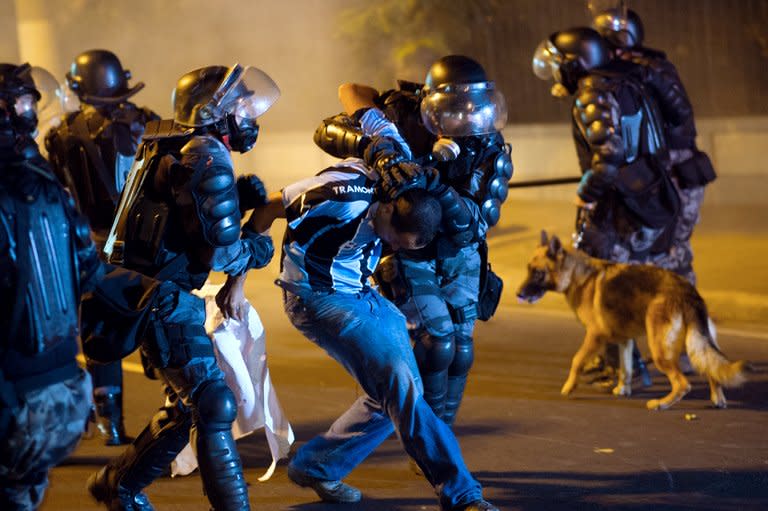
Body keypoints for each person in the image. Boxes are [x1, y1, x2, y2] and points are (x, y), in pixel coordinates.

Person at [236, 109, 499, 510]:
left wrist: (380, 142)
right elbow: (272, 205)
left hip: (361, 293)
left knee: (393, 391)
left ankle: (317, 466)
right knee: (401, 385)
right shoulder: (341, 195)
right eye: (396, 239)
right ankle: (462, 495)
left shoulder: (401, 167)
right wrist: (239, 279)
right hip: (317, 298)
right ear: (389, 211)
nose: (392, 247)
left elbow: (371, 113)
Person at [86, 64, 279, 511]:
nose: (250, 116)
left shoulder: (180, 145)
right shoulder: (206, 156)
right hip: (159, 298)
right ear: (215, 111)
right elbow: (221, 253)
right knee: (212, 402)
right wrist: (260, 247)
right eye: (242, 107)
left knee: (190, 405)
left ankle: (117, 484)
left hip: (147, 291)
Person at [314, 55, 512, 427]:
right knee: (436, 344)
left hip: (458, 250)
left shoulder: (486, 146)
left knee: (461, 348)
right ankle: (427, 436)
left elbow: (473, 224)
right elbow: (341, 108)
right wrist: (379, 151)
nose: (464, 119)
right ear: (429, 101)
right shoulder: (404, 117)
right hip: (408, 246)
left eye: (472, 109)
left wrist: (436, 185)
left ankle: (442, 436)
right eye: (453, 109)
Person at [0, 62, 155, 511]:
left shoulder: (53, 153)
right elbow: (87, 272)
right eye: (25, 100)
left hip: (14, 399)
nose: (31, 109)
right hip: (60, 402)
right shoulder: (44, 183)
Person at [532, 27, 681, 392]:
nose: (556, 75)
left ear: (575, 65)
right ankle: (643, 366)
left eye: (559, 66)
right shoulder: (624, 82)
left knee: (602, 288)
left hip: (616, 204)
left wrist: (587, 192)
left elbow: (609, 153)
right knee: (633, 282)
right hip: (644, 197)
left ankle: (623, 373)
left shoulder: (591, 93)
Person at [45, 49, 160, 446]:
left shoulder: (60, 133)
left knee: (99, 332)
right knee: (158, 324)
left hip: (86, 244)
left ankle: (109, 421)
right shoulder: (147, 123)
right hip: (143, 243)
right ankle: (178, 415)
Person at [590, 6, 716, 285]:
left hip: (678, 170)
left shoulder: (653, 69)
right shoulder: (629, 72)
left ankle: (689, 314)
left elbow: (681, 114)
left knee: (673, 251)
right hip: (659, 172)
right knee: (651, 253)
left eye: (608, 42)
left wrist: (645, 74)